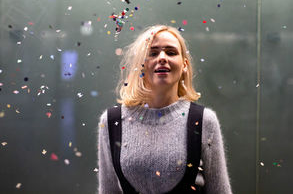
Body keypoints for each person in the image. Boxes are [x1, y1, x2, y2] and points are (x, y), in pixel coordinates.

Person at [97, 25, 233, 193]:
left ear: (184, 64)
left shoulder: (204, 120)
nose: (162, 57)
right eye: (153, 53)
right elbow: (108, 190)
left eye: (171, 52)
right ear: (140, 65)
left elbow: (219, 190)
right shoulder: (112, 121)